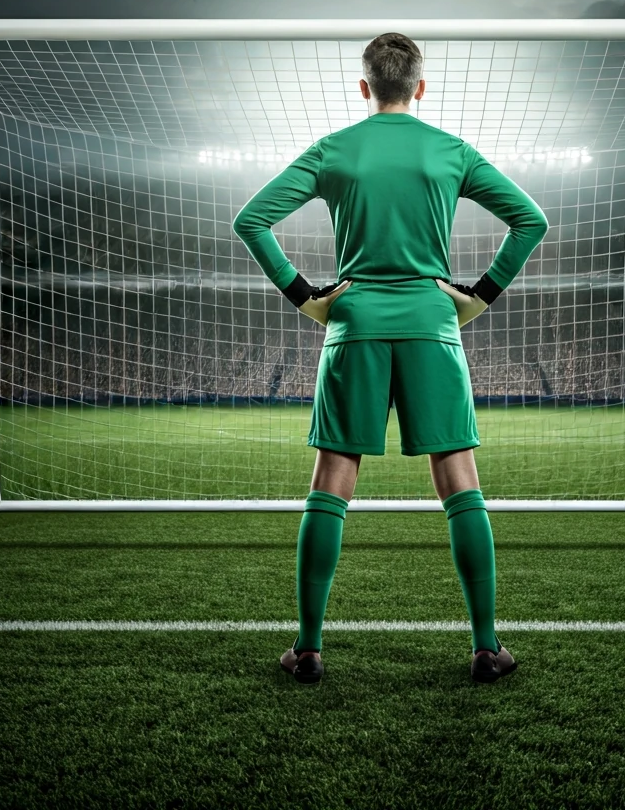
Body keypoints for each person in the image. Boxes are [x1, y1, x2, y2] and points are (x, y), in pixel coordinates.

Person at [232, 33, 549, 684]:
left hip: (355, 323)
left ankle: (309, 648)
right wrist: (479, 296)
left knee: (331, 479)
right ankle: (487, 647)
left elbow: (251, 220)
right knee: (460, 478)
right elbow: (531, 221)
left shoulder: (336, 150)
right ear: (420, 88)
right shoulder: (449, 151)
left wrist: (304, 295)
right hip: (434, 323)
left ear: (364, 87)